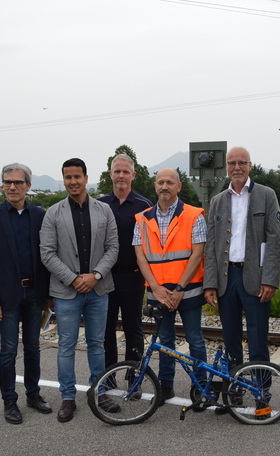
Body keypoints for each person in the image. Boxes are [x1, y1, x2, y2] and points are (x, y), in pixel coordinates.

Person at [203, 146, 280, 411]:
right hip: (227, 279)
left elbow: (275, 240)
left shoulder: (266, 195)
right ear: (227, 167)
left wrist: (270, 279)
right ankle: (234, 390)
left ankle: (262, 395)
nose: (236, 167)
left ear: (250, 166)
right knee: (231, 340)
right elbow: (211, 245)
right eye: (231, 163)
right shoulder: (217, 200)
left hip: (256, 279)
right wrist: (210, 283)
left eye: (241, 163)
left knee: (258, 340)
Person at [40, 158, 119, 422]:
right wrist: (74, 279)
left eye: (77, 176)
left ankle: (101, 392)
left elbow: (113, 248)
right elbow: (48, 254)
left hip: (98, 290)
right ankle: (67, 397)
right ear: (63, 180)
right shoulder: (53, 213)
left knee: (97, 344)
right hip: (66, 292)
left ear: (86, 178)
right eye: (67, 177)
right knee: (66, 346)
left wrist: (95, 275)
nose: (73, 181)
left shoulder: (104, 210)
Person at [0, 163, 52, 424]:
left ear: (27, 186)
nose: (11, 186)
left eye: (17, 182)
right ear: (2, 185)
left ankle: (33, 394)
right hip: (6, 298)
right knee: (8, 351)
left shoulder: (40, 215)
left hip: (34, 294)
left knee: (33, 348)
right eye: (7, 182)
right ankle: (9, 401)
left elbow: (46, 257)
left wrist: (47, 295)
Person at [133, 168, 207, 402]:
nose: (165, 186)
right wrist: (155, 287)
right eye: (160, 182)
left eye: (169, 182)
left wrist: (179, 289)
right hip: (158, 293)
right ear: (155, 186)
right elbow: (140, 256)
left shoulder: (195, 215)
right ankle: (166, 386)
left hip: (188, 291)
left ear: (179, 186)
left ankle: (201, 387)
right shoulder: (142, 218)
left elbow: (197, 254)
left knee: (195, 339)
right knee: (165, 342)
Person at [98, 154, 152, 368]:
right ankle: (108, 375)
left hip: (133, 277)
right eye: (117, 171)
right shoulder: (100, 204)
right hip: (105, 277)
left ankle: (134, 376)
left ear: (133, 175)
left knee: (133, 328)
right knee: (106, 329)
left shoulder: (145, 206)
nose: (121, 175)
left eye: (125, 172)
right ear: (110, 174)